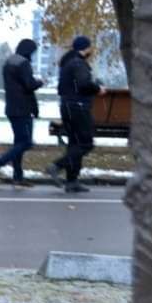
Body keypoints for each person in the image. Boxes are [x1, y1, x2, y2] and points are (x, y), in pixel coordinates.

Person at [47, 35, 104, 193]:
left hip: (67, 106)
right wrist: (98, 88)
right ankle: (57, 166)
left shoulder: (67, 64)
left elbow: (61, 89)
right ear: (85, 48)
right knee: (86, 143)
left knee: (74, 144)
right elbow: (84, 84)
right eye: (89, 47)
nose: (91, 51)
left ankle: (72, 181)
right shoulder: (79, 63)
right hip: (78, 107)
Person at [0, 38, 43, 187]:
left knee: (19, 143)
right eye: (33, 51)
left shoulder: (9, 62)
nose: (33, 54)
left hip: (12, 107)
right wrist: (40, 82)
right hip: (23, 108)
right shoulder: (23, 63)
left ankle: (18, 177)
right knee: (26, 142)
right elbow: (29, 85)